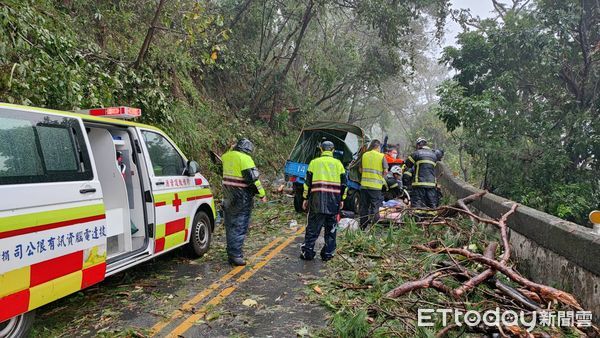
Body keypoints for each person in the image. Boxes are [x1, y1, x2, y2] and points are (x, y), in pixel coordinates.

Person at [221, 138, 267, 266]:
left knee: (230, 224)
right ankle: (236, 256)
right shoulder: (245, 159)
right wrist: (262, 194)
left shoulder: (226, 156)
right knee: (240, 225)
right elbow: (253, 180)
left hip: (228, 195)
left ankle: (231, 252)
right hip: (242, 197)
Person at [300, 141, 347, 261]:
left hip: (316, 201)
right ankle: (328, 254)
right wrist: (342, 199)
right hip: (333, 202)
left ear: (321, 150)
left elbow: (307, 184)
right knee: (331, 230)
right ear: (332, 150)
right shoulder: (339, 164)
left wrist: (305, 198)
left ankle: (308, 253)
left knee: (312, 229)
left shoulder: (314, 163)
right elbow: (344, 185)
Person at [359, 139, 388, 229]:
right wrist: (380, 177)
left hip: (364, 186)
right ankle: (374, 228)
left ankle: (363, 227)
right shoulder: (381, 156)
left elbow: (360, 170)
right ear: (378, 147)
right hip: (375, 187)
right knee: (375, 207)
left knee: (364, 207)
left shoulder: (364, 155)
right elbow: (386, 171)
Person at [404, 137, 440, 210]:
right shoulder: (434, 155)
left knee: (417, 205)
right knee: (431, 205)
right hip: (431, 185)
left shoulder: (417, 153)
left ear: (418, 145)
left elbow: (408, 164)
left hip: (419, 184)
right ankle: (431, 219)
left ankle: (417, 219)